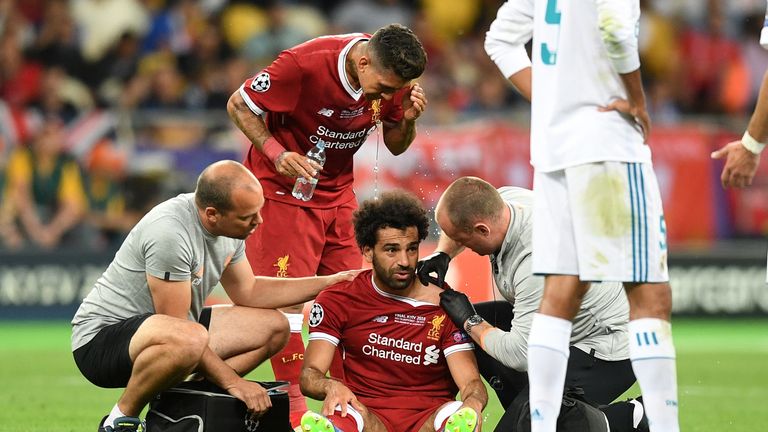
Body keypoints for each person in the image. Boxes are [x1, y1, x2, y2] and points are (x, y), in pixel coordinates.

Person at [484, 2, 680, 432]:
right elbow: (614, 26)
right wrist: (637, 98)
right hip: (608, 147)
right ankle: (662, 424)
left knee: (559, 295)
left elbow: (499, 40)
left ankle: (541, 423)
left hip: (553, 154)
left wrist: (554, 102)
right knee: (648, 296)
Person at [226, 22, 428, 424]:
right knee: (287, 306)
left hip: (338, 197)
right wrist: (276, 152)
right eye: (385, 89)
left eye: (395, 91)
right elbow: (239, 103)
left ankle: (353, 413)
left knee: (361, 296)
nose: (387, 97)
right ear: (364, 60)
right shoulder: (304, 65)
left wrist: (406, 119)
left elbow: (395, 143)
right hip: (282, 195)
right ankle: (298, 417)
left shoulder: (391, 79)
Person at [71, 160, 358, 432]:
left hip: (166, 333)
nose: (258, 221)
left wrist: (329, 282)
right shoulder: (170, 233)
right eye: (248, 217)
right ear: (212, 214)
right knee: (190, 338)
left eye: (258, 211)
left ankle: (182, 402)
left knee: (275, 327)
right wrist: (234, 383)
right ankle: (121, 419)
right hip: (100, 342)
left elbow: (249, 291)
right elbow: (178, 327)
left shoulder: (229, 227)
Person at [417, 176, 646, 432]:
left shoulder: (537, 261)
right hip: (562, 329)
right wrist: (443, 253)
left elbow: (519, 355)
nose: (465, 247)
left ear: (482, 230)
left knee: (524, 423)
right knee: (456, 328)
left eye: (464, 241)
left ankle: (626, 419)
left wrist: (470, 321)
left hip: (606, 348)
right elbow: (461, 220)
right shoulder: (503, 202)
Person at [299, 191, 486, 432]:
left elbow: (471, 382)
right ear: (368, 252)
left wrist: (472, 402)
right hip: (366, 416)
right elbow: (309, 375)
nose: (405, 261)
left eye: (411, 249)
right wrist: (329, 387)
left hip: (429, 420)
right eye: (391, 250)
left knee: (456, 416)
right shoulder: (339, 299)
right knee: (341, 413)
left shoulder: (446, 303)